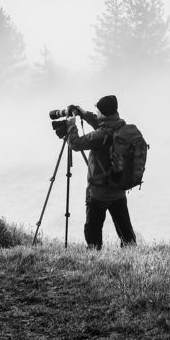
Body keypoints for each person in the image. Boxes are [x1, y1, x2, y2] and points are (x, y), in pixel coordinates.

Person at [64, 94, 137, 249]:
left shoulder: (100, 135)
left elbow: (75, 144)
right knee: (125, 230)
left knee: (93, 230)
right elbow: (100, 124)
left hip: (98, 192)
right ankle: (131, 254)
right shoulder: (120, 127)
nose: (95, 114)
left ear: (103, 114)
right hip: (118, 189)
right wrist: (83, 113)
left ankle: (94, 254)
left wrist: (71, 125)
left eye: (97, 112)